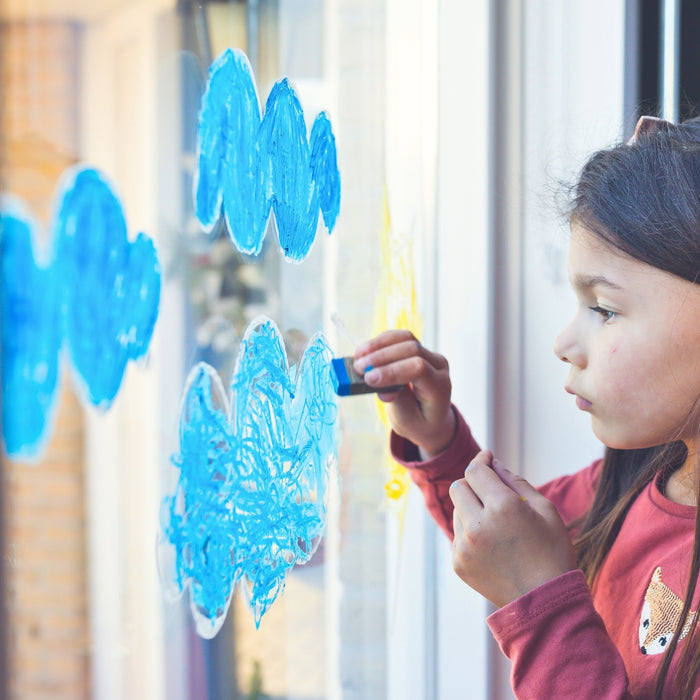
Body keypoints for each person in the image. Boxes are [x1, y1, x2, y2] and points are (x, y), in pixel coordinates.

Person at [352, 115, 700, 699]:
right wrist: (440, 447)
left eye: (605, 309)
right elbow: (508, 545)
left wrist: (545, 612)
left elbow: (528, 571)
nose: (565, 344)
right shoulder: (642, 479)